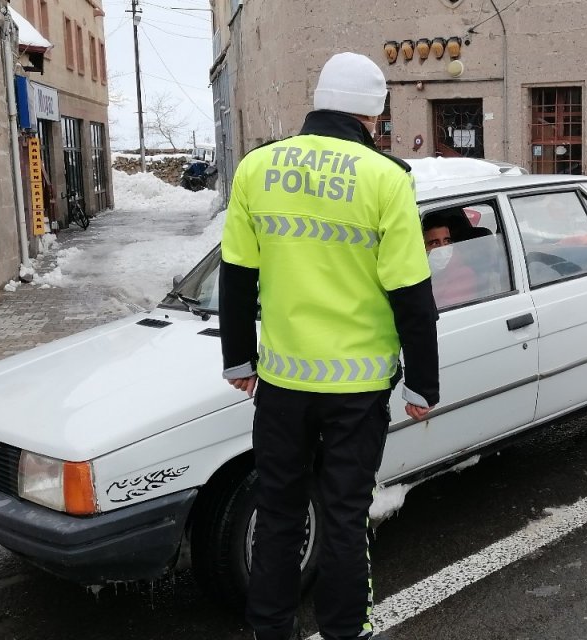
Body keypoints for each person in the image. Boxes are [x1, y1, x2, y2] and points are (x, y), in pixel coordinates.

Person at [218, 52, 440, 640]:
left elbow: (237, 274)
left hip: (283, 384)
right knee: (344, 517)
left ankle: (272, 631)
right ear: (375, 113)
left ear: (317, 101)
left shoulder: (256, 168)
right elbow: (411, 293)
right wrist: (423, 381)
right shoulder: (387, 178)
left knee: (279, 514)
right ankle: (347, 631)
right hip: (358, 389)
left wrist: (238, 357)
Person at [423, 213, 478, 308]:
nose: (443, 248)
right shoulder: (417, 275)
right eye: (435, 243)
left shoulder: (463, 275)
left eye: (447, 241)